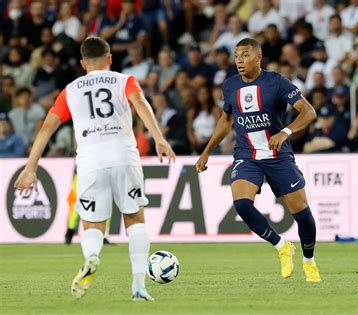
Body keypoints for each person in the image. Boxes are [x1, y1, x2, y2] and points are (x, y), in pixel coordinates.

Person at [14, 36, 176, 301]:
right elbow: (140, 104)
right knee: (134, 218)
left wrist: (31, 167)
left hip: (90, 161)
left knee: (92, 224)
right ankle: (138, 287)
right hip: (124, 155)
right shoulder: (125, 80)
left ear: (82, 63)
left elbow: (46, 128)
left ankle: (91, 257)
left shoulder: (71, 89)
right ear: (110, 58)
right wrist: (159, 138)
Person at [195, 38, 321, 282]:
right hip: (247, 154)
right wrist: (207, 151)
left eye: (245, 55)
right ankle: (282, 246)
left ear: (258, 57)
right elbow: (225, 121)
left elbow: (309, 112)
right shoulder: (230, 86)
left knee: (302, 215)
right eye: (236, 56)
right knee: (242, 204)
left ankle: (309, 262)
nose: (239, 61)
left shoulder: (275, 81)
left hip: (277, 155)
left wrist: (285, 132)